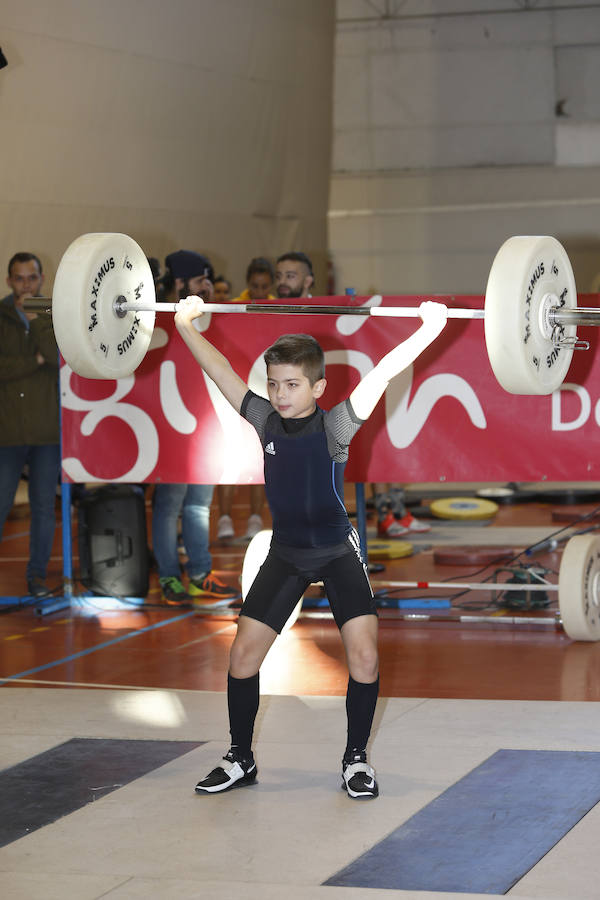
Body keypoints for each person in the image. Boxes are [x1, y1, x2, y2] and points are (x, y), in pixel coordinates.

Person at [173, 293, 448, 799]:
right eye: (274, 383)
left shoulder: (335, 425)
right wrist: (186, 324)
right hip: (286, 553)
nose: (280, 394)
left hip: (337, 551)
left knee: (364, 658)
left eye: (292, 384)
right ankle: (239, 758)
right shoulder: (264, 420)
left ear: (318, 387)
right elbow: (220, 372)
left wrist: (430, 328)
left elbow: (383, 373)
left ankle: (356, 759)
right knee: (242, 656)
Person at [151, 250, 238, 608]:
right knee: (169, 503)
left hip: (205, 423)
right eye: (200, 280)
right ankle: (169, 575)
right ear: (180, 283)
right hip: (172, 423)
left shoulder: (209, 315)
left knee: (200, 504)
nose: (206, 286)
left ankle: (200, 574)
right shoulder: (156, 316)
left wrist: (214, 308)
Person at [0, 252, 61, 598]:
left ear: (41, 279)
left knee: (43, 507)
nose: (26, 285)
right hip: (7, 431)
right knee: (1, 504)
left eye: (32, 278)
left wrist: (37, 320)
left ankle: (37, 577)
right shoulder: (1, 314)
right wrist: (33, 360)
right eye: (19, 278)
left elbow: (56, 357)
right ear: (9, 280)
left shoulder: (53, 313)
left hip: (46, 430)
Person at [217, 257, 276, 541]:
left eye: (265, 287)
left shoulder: (280, 308)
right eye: (255, 286)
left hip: (264, 390)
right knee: (229, 455)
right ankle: (224, 518)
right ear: (248, 284)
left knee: (259, 456)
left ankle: (255, 518)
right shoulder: (233, 308)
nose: (260, 292)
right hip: (236, 390)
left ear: (271, 285)